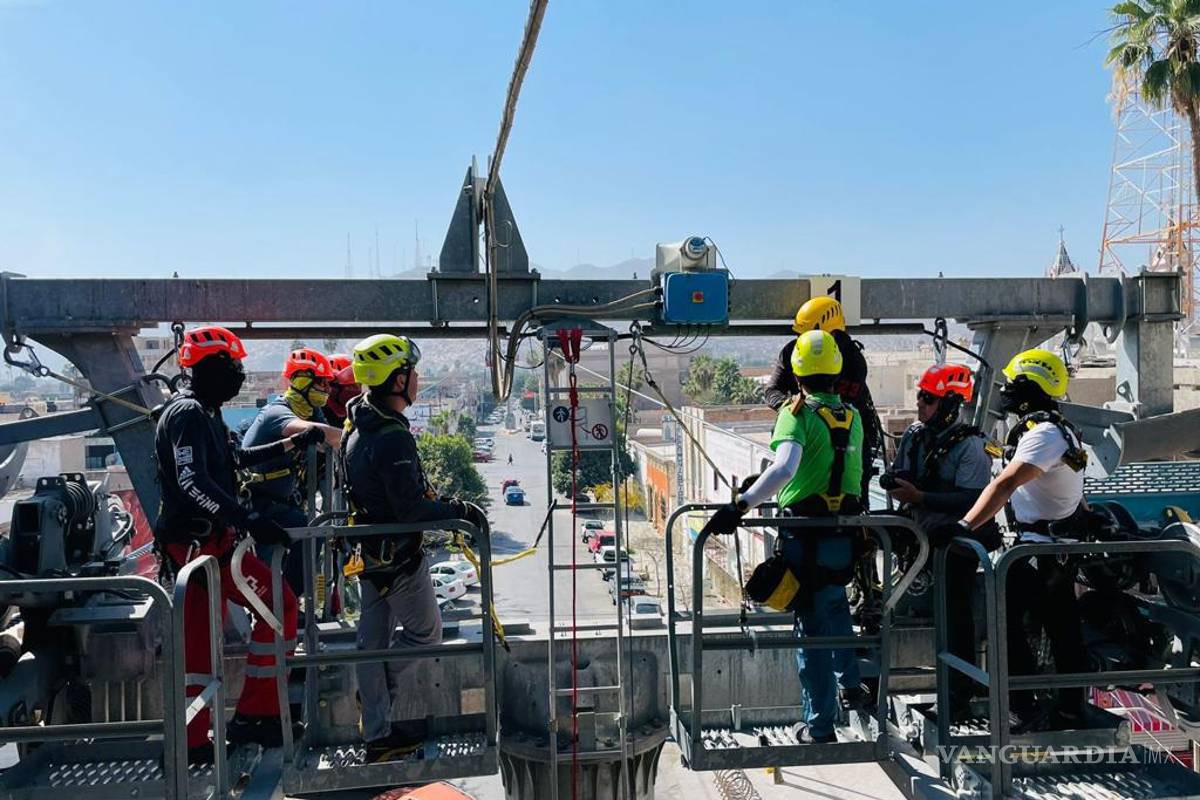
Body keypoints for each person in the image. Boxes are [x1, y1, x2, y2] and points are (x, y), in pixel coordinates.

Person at [153, 326, 317, 762]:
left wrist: (290, 443)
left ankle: (249, 717)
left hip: (213, 545)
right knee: (208, 646)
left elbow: (234, 460)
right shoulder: (187, 414)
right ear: (208, 367)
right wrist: (247, 519)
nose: (240, 375)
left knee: (276, 609)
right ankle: (214, 734)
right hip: (197, 549)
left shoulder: (205, 412)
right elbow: (191, 482)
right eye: (233, 367)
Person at [702, 329, 869, 744]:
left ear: (796, 375)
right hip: (843, 536)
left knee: (810, 631)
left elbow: (784, 469)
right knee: (836, 607)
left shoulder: (797, 413)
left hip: (805, 536)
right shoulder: (853, 415)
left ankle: (819, 727)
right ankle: (851, 685)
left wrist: (739, 506)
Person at [341, 334, 488, 762]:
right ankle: (378, 696)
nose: (417, 380)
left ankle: (378, 731)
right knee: (426, 635)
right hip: (399, 560)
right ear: (397, 379)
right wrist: (458, 510)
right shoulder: (390, 437)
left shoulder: (359, 426)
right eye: (412, 374)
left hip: (370, 556)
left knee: (372, 642)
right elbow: (409, 509)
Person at [929, 348, 1089, 732]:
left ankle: (1027, 707)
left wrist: (964, 526)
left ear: (1028, 387)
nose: (1004, 392)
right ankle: (1057, 708)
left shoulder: (1046, 435)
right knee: (1051, 630)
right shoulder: (1045, 431)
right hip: (1042, 550)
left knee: (1013, 630)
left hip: (1041, 554)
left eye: (1010, 385)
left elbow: (1006, 483)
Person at [883, 363, 999, 721]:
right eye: (920, 396)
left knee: (955, 620)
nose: (919, 403)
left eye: (928, 398)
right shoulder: (917, 435)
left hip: (956, 544)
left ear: (949, 404)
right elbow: (905, 472)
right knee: (939, 616)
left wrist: (921, 498)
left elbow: (973, 500)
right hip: (924, 540)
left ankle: (958, 697)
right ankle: (952, 692)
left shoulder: (972, 446)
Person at [241, 348, 343, 593]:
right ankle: (286, 602)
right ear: (301, 381)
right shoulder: (278, 412)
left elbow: (326, 442)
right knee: (305, 535)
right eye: (321, 382)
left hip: (282, 501)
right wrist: (352, 437)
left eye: (328, 383)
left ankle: (287, 603)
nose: (327, 389)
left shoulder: (311, 410)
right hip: (258, 502)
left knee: (303, 538)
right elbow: (310, 431)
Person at [765, 296, 881, 503]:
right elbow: (772, 390)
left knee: (854, 500)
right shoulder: (793, 351)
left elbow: (842, 405)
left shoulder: (853, 360)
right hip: (805, 434)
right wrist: (790, 407)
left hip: (848, 438)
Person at [323, 353, 358, 429]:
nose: (355, 389)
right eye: (349, 385)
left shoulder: (360, 413)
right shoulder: (317, 415)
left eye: (357, 384)